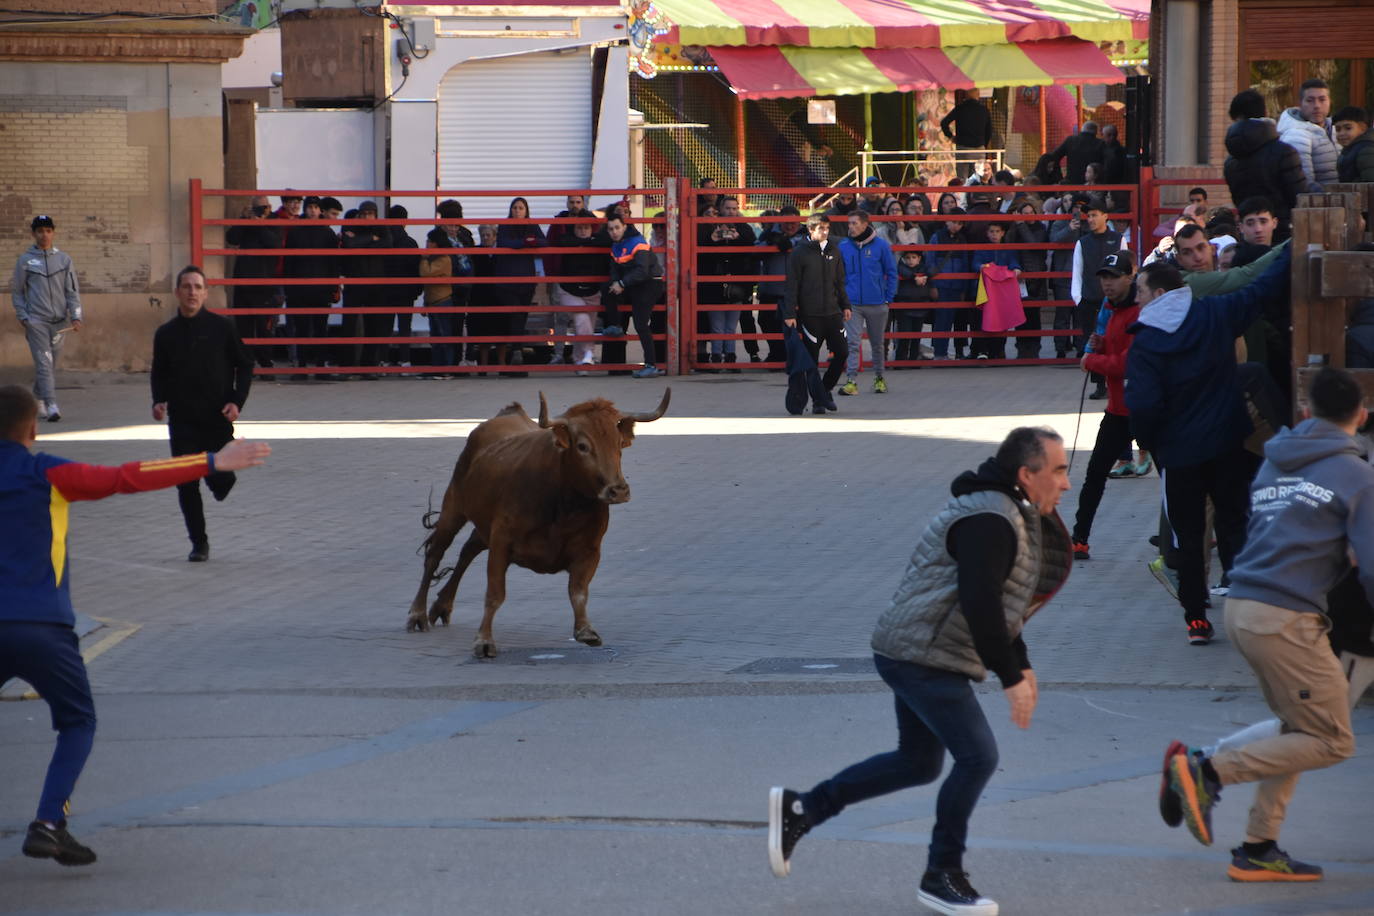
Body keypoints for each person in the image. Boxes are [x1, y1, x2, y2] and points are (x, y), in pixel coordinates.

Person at [768, 426, 1072, 915]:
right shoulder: (991, 519)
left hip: (915, 651)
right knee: (977, 757)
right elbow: (981, 604)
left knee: (919, 762)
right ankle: (942, 875)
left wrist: (1023, 663)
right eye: (1059, 471)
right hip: (924, 657)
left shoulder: (1005, 511)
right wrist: (1011, 677)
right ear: (1026, 474)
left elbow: (1004, 600)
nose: (1066, 483)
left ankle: (804, 809)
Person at [0, 384, 270, 868]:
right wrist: (211, 461)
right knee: (77, 720)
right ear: (34, 428)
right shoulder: (48, 473)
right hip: (42, 626)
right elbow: (126, 476)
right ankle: (47, 822)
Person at [1159, 366, 1371, 882]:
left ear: (1305, 412)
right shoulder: (1356, 475)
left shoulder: (1275, 463)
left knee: (1302, 730)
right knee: (1332, 741)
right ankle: (1205, 771)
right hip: (1288, 618)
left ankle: (1257, 848)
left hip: (1242, 606)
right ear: (1361, 414)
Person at [1125, 250, 1292, 645]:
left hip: (1179, 454)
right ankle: (1250, 609)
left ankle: (1196, 616)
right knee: (1237, 522)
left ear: (1161, 293)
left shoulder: (1147, 342)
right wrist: (1290, 248)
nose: (1136, 299)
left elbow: (1144, 403)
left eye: (1140, 291)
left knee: (1186, 534)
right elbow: (1261, 290)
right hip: (1227, 444)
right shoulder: (1215, 314)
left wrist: (1148, 441)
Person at [150, 266, 256, 562]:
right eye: (186, 287)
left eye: (197, 287)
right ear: (177, 293)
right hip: (182, 421)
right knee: (186, 482)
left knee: (222, 482)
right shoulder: (166, 334)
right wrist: (158, 401)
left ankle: (218, 476)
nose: (192, 292)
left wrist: (237, 401)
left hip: (216, 418)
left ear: (206, 293)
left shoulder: (223, 328)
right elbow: (159, 373)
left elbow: (245, 365)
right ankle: (199, 543)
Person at [1070, 251, 1139, 559]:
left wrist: (1091, 360)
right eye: (1104, 278)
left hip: (1145, 409)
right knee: (1095, 473)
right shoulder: (1110, 308)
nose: (1107, 284)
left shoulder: (1141, 311)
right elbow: (1114, 347)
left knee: (1172, 481)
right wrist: (1101, 346)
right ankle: (1079, 538)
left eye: (1114, 277)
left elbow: (1129, 363)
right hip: (1117, 410)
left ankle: (1182, 540)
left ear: (1130, 276)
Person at [10, 215, 82, 422]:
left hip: (60, 323)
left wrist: (76, 316)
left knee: (50, 365)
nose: (44, 235)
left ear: (53, 233)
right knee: (44, 362)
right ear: (33, 234)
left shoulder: (64, 259)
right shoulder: (25, 261)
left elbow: (72, 291)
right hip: (36, 321)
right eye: (40, 231)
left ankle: (38, 397)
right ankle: (52, 405)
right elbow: (17, 291)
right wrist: (24, 317)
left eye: (48, 230)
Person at [781, 213, 850, 407]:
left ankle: (824, 390)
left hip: (833, 313)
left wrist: (845, 305)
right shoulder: (799, 253)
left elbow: (840, 282)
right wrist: (790, 314)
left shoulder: (834, 251)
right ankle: (818, 401)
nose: (825, 232)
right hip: (810, 315)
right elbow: (791, 285)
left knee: (842, 353)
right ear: (811, 230)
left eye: (827, 228)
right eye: (821, 229)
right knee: (811, 360)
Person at [1223, 91, 1306, 230]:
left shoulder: (1231, 161)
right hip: (1285, 230)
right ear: (1265, 112)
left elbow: (1238, 199)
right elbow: (1299, 197)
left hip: (1249, 230)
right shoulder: (1284, 152)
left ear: (1236, 118)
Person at [838, 210, 897, 395]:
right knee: (853, 343)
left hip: (877, 303)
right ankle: (851, 381)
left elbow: (892, 272)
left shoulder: (881, 245)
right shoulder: (844, 246)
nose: (851, 227)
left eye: (855, 223)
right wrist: (842, 299)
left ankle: (879, 378)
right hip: (852, 304)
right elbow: (838, 275)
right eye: (849, 223)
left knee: (877, 343)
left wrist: (888, 297)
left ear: (865, 224)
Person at [1070, 196, 1123, 397]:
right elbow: (1077, 271)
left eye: (1094, 215)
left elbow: (1126, 268)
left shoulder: (1118, 239)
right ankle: (1100, 384)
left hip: (1113, 302)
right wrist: (1078, 298)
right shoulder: (1083, 242)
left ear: (1105, 216)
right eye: (1088, 216)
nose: (1090, 219)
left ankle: (1115, 382)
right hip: (1089, 299)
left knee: (1114, 341)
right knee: (1094, 341)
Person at [603, 212, 665, 379]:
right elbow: (614, 269)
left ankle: (651, 365)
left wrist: (622, 284)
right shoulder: (616, 245)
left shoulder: (637, 242)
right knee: (607, 288)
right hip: (634, 283)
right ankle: (616, 325)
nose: (614, 232)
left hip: (651, 283)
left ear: (624, 227)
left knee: (640, 324)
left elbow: (643, 271)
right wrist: (617, 283)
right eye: (610, 229)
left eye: (617, 227)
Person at [698, 196, 757, 370]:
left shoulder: (744, 228)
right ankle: (716, 359)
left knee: (730, 326)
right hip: (713, 285)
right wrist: (713, 240)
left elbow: (751, 249)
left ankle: (730, 359)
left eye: (734, 208)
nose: (731, 211)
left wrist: (737, 239)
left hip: (737, 285)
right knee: (717, 326)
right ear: (720, 209)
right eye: (727, 208)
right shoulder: (707, 228)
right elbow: (699, 253)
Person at [282, 196, 340, 373]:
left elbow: (333, 263)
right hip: (300, 290)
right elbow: (288, 262)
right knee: (302, 330)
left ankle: (320, 365)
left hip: (320, 289)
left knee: (321, 329)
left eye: (316, 207)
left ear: (320, 210)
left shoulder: (328, 233)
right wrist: (289, 288)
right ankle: (302, 366)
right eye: (310, 207)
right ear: (306, 209)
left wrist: (333, 287)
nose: (313, 210)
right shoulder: (296, 232)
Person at [226, 196, 282, 370]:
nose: (260, 211)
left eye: (263, 208)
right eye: (256, 208)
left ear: (269, 208)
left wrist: (258, 224)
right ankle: (246, 364)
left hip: (264, 283)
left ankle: (266, 364)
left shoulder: (274, 222)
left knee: (264, 327)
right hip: (243, 281)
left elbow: (274, 243)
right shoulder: (246, 222)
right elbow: (232, 238)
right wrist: (243, 219)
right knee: (244, 327)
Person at [554, 209, 610, 372]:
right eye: (579, 228)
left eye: (586, 227)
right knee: (581, 318)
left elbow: (606, 240)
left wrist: (586, 242)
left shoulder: (599, 240)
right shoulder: (567, 240)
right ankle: (588, 353)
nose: (583, 231)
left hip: (592, 291)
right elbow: (563, 241)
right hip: (569, 290)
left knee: (585, 326)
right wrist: (586, 242)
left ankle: (580, 362)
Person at [756, 207, 806, 366]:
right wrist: (772, 243)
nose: (790, 226)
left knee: (798, 325)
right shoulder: (769, 233)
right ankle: (776, 354)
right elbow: (755, 249)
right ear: (780, 221)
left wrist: (790, 243)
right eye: (786, 223)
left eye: (794, 223)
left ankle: (794, 356)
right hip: (770, 288)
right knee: (766, 321)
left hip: (798, 289)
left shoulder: (806, 233)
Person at [376, 205, 421, 369]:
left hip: (385, 292)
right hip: (406, 292)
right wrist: (417, 291)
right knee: (404, 327)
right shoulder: (410, 243)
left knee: (385, 327)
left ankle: (383, 360)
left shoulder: (383, 242)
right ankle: (405, 361)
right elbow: (417, 269)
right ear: (405, 221)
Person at [1279, 78, 1339, 192]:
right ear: (1300, 103)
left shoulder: (1336, 128)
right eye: (1310, 100)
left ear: (1330, 101)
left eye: (1322, 99)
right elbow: (1305, 183)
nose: (1317, 105)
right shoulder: (1296, 135)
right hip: (1320, 205)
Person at [929, 209, 974, 361]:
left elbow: (966, 264)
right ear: (947, 221)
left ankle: (945, 352)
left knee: (950, 319)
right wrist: (933, 285)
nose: (956, 226)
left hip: (956, 285)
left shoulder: (962, 240)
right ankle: (940, 353)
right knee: (942, 320)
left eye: (960, 223)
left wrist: (963, 287)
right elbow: (931, 261)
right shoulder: (937, 237)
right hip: (942, 285)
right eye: (954, 222)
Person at [1008, 198, 1049, 359]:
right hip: (1019, 278)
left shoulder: (1040, 228)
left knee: (1034, 316)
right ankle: (1022, 349)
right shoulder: (1015, 229)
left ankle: (1034, 349)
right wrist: (1015, 225)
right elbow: (1009, 244)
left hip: (1036, 278)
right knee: (1020, 316)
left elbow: (1033, 244)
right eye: (1024, 214)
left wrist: (1020, 224)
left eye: (1031, 213)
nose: (1028, 216)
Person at [420, 229, 456, 371]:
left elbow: (425, 274)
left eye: (429, 241)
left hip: (442, 301)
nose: (427, 244)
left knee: (444, 337)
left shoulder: (443, 259)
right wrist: (425, 303)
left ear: (436, 243)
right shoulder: (434, 259)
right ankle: (437, 367)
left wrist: (423, 259)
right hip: (433, 301)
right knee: (435, 338)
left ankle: (446, 368)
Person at [893, 247, 933, 364]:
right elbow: (900, 269)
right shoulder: (902, 268)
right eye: (908, 258)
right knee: (904, 335)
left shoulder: (925, 268)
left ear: (919, 258)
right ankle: (900, 361)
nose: (911, 260)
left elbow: (934, 269)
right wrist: (915, 277)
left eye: (914, 257)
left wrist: (926, 276)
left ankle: (913, 361)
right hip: (904, 306)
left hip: (921, 306)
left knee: (916, 336)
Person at [940, 90, 993, 179]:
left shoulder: (960, 108)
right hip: (979, 148)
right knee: (978, 176)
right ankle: (976, 192)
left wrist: (951, 136)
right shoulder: (983, 109)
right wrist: (984, 144)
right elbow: (989, 130)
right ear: (978, 95)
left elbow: (944, 123)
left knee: (962, 177)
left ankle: (963, 192)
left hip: (963, 147)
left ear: (966, 95)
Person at [1333, 105, 1374, 182]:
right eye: (1338, 129)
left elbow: (1370, 184)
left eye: (1348, 128)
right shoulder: (1350, 150)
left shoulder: (1367, 150)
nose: (1341, 133)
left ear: (1363, 128)